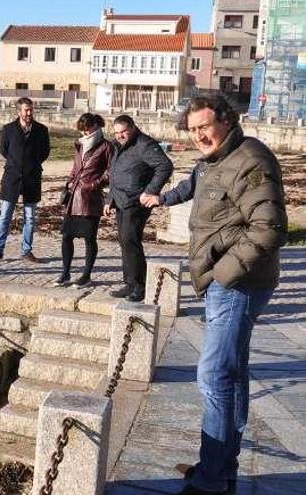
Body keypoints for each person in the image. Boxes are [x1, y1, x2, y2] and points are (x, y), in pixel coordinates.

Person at [140, 96, 287, 495]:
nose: (199, 135)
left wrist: (222, 275)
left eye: (204, 126)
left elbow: (269, 229)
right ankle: (219, 469)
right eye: (192, 130)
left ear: (226, 120)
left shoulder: (250, 158)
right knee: (231, 377)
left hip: (237, 285)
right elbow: (195, 191)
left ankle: (209, 482)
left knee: (214, 377)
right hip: (226, 283)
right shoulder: (214, 161)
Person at [104, 114, 173, 301]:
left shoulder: (145, 145)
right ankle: (130, 283)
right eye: (117, 132)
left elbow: (165, 166)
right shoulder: (118, 145)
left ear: (133, 127)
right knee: (124, 241)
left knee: (130, 240)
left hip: (136, 201)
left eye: (123, 131)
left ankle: (140, 286)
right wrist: (109, 199)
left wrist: (150, 191)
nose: (120, 135)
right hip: (120, 200)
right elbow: (115, 173)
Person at [0, 97, 50, 264]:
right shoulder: (8, 129)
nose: (29, 112)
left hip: (32, 178)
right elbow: (4, 150)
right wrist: (17, 164)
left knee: (29, 217)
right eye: (26, 110)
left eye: (31, 109)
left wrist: (31, 164)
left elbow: (45, 152)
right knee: (5, 216)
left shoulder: (42, 130)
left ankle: (26, 251)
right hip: (12, 178)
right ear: (18, 111)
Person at [54, 113, 113, 288]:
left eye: (88, 129)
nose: (85, 132)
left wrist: (95, 184)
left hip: (90, 198)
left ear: (96, 125)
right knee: (66, 236)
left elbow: (111, 171)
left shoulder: (106, 146)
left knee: (89, 238)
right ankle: (65, 273)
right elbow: (75, 167)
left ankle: (86, 275)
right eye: (83, 129)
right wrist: (70, 181)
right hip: (74, 196)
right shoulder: (79, 145)